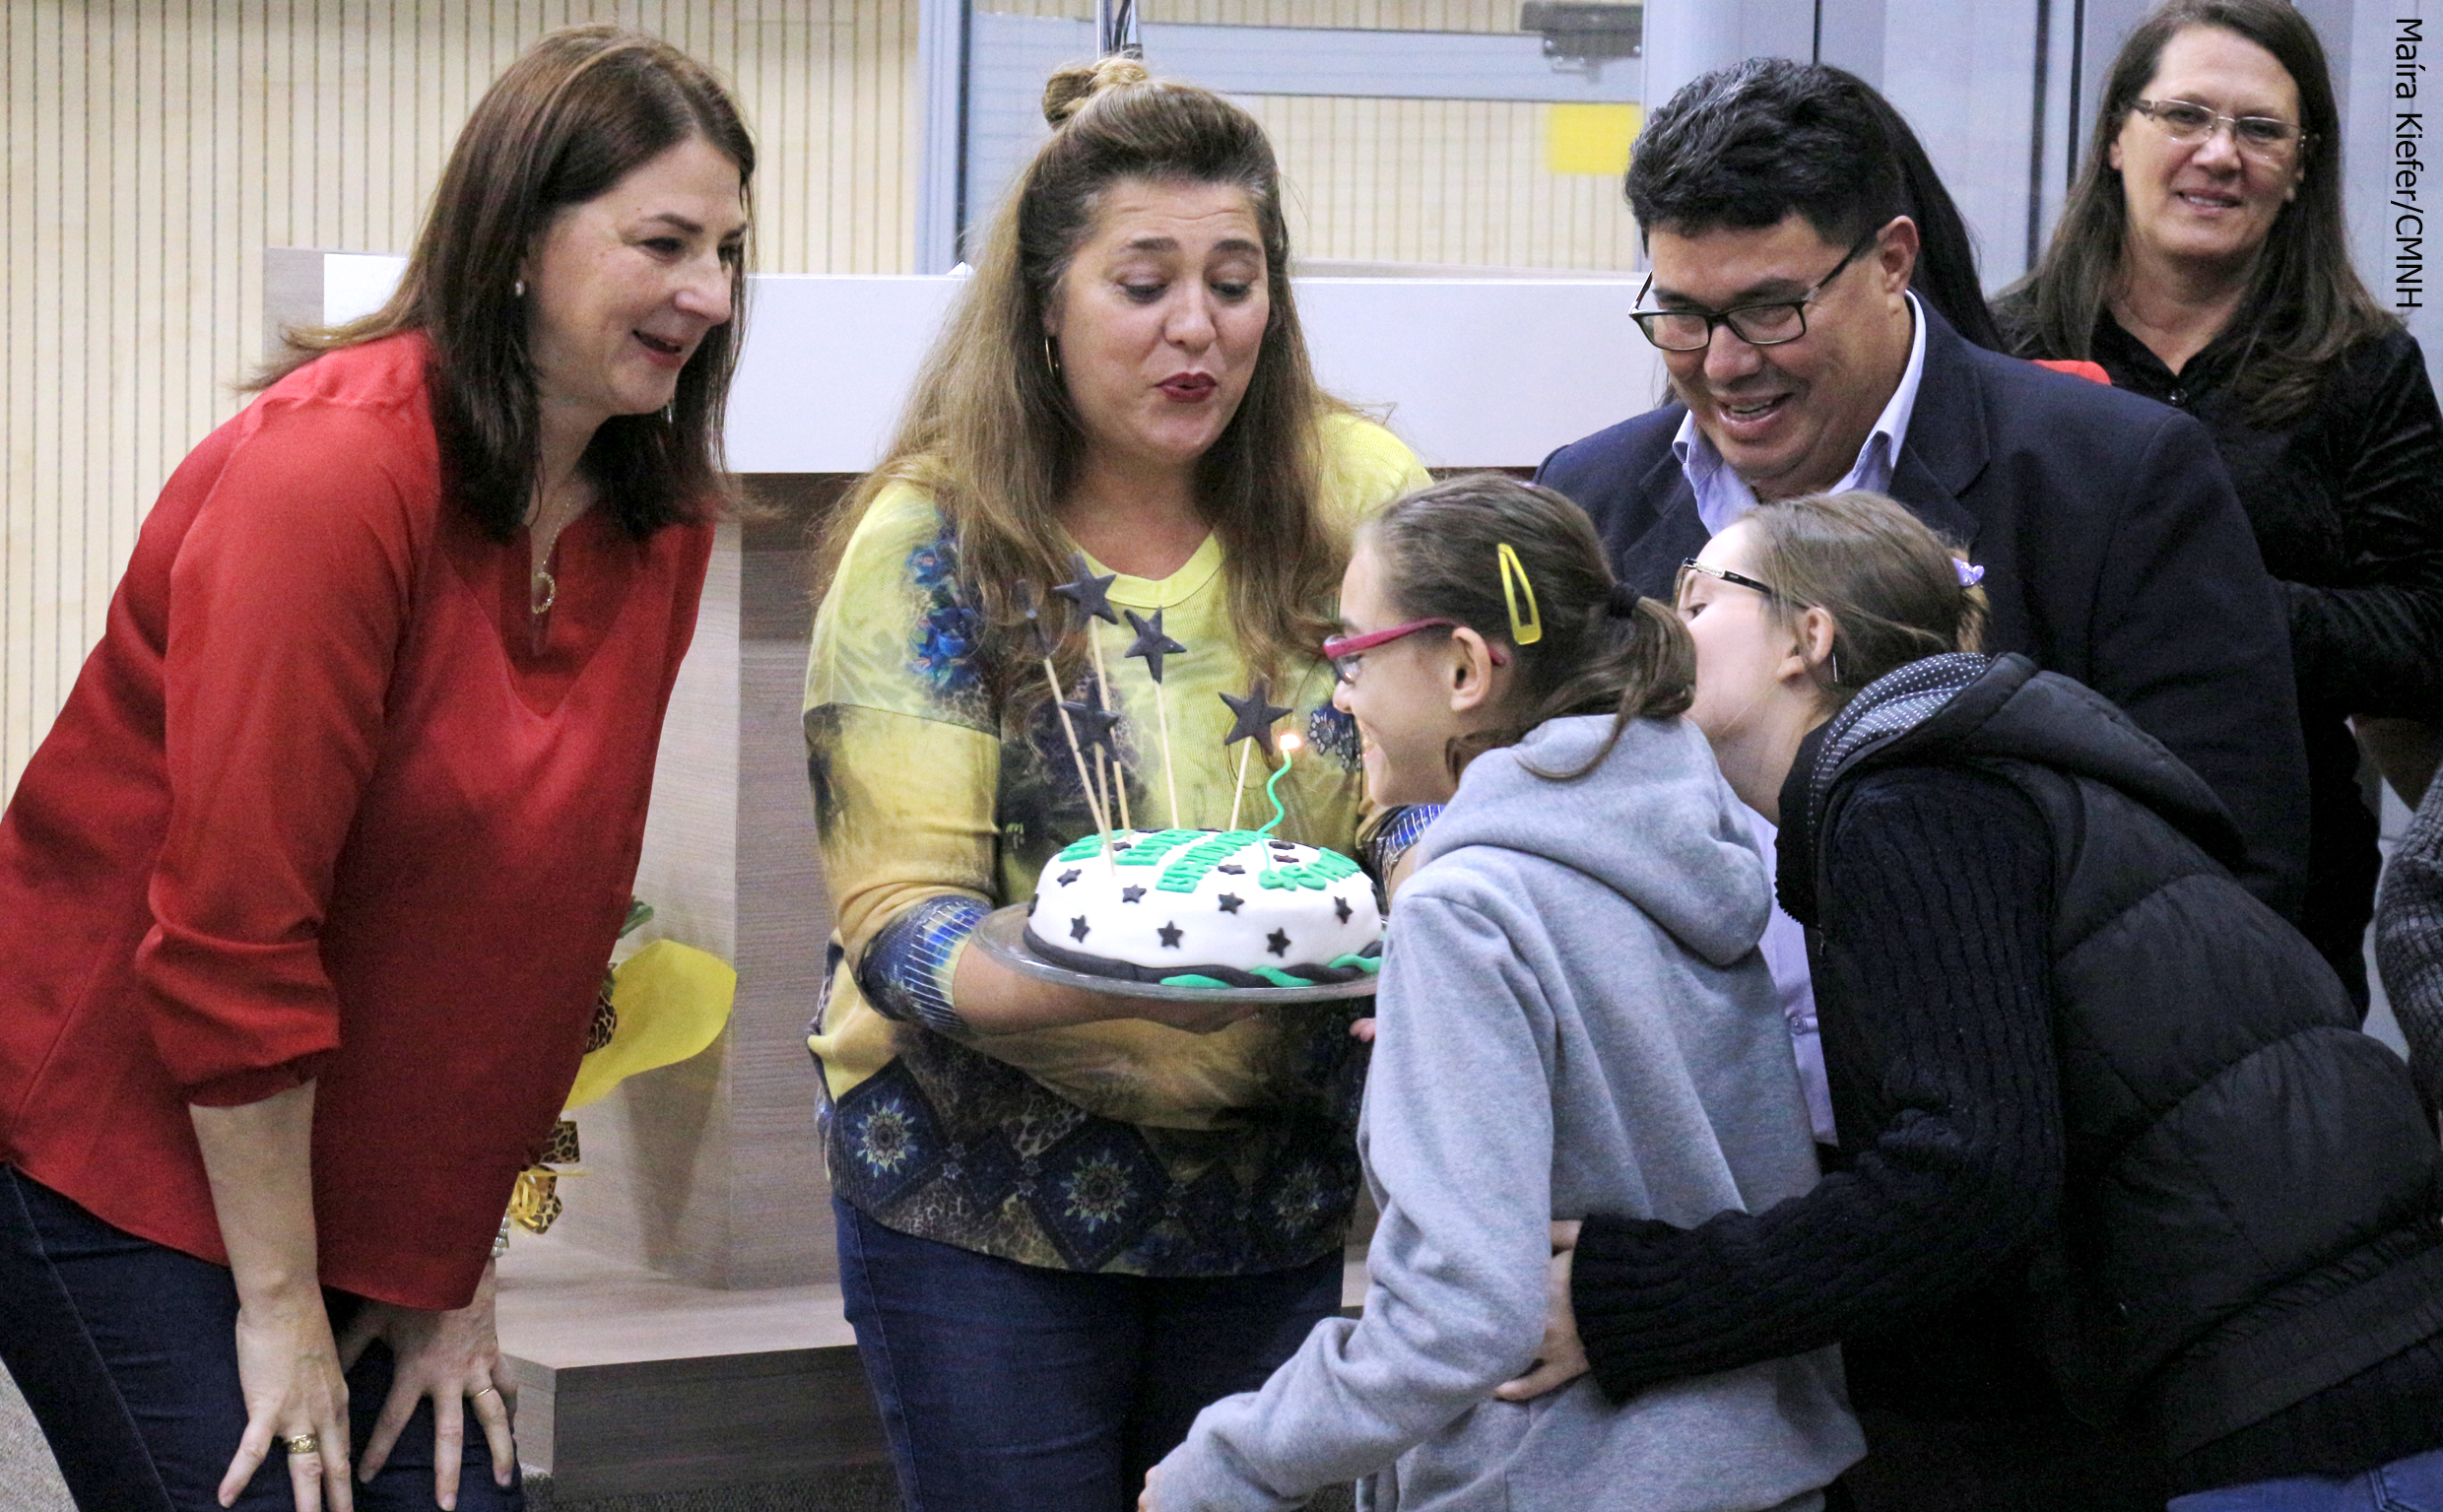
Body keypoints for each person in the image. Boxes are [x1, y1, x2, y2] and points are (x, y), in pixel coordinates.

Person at [0, 26, 749, 1512]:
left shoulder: (651, 510)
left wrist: (452, 1261)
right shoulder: (330, 472)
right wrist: (283, 1310)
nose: (711, 294)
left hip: (351, 1158)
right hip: (118, 1135)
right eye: (663, 243)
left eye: (728, 250)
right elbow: (231, 935)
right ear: (517, 237)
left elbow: (545, 926)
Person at [1496, 492, 2443, 1512]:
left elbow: (1968, 1173)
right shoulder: (1947, 774)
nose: (1666, 627)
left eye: (1697, 597)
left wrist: (1646, 1299)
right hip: (2320, 1366)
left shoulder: (1909, 802)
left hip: (2311, 1403)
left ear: (1806, 638)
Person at [802, 56, 1429, 1512]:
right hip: (978, 1194)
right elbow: (900, 925)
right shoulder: (932, 539)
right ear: (1044, 304)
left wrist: (1427, 884)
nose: (1195, 327)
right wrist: (1131, 973)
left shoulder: (1361, 497)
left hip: (1274, 1185)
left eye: (1234, 282)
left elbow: (1427, 771)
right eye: (1143, 285)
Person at [1139, 476, 1861, 1512]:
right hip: (1757, 1472)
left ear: (1466, 669)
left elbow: (1456, 1316)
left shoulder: (1465, 911)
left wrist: (1229, 1465)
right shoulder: (1679, 840)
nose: (1340, 697)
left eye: (1353, 655)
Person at [1536, 56, 2309, 923]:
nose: (1723, 363)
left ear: (1892, 261)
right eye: (1681, 314)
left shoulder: (2115, 483)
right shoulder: (1591, 500)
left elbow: (2232, 864)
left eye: (1769, 310)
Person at [1995, 0, 2443, 1011]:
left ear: (2299, 170)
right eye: (2184, 115)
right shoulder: (1999, 353)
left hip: (2274, 895)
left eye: (2259, 129)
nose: (2218, 154)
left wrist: (2202, 607)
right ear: (2117, 136)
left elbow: (2422, 631)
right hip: (2028, 873)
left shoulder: (2364, 370)